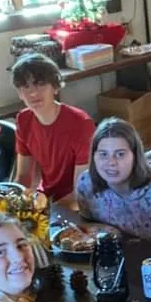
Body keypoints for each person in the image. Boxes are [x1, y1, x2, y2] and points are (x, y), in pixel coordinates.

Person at [76, 117, 151, 249]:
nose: (111, 162)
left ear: (135, 156)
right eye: (103, 154)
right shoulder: (86, 183)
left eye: (120, 154)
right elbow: (87, 227)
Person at [12, 53, 94, 205]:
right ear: (20, 94)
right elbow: (23, 177)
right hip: (46, 197)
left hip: (78, 203)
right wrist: (13, 202)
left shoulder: (81, 123)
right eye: (26, 87)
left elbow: (81, 191)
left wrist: (45, 210)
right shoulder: (23, 119)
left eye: (40, 84)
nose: (33, 93)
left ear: (55, 87)